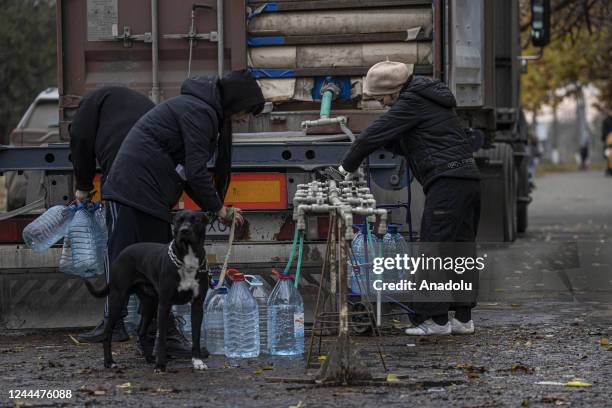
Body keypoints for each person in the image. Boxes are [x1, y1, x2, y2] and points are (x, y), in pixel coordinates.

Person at [99, 70, 263, 354]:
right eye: (247, 112)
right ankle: (159, 337)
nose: (245, 119)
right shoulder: (200, 113)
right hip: (136, 191)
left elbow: (189, 173)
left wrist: (217, 209)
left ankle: (153, 337)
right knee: (159, 270)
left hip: (140, 191)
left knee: (154, 270)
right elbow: (197, 173)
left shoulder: (199, 108)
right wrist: (220, 210)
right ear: (236, 102)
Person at [339, 61, 481, 335]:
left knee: (433, 249)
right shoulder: (431, 101)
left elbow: (371, 136)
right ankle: (463, 318)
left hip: (447, 182)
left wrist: (343, 169)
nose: (381, 104)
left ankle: (435, 320)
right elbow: (411, 140)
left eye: (381, 98)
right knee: (459, 249)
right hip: (468, 180)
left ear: (393, 90)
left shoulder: (411, 102)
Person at [69, 86, 154, 343]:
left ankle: (113, 323)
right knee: (150, 246)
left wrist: (84, 185)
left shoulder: (88, 107)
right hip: (158, 175)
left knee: (118, 248)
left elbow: (81, 142)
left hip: (123, 176)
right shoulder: (132, 102)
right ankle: (152, 322)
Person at [601, 111, 612, 176]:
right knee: (608, 154)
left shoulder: (606, 121)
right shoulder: (606, 121)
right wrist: (604, 138)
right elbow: (604, 131)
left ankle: (609, 169)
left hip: (608, 141)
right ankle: (609, 168)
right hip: (609, 141)